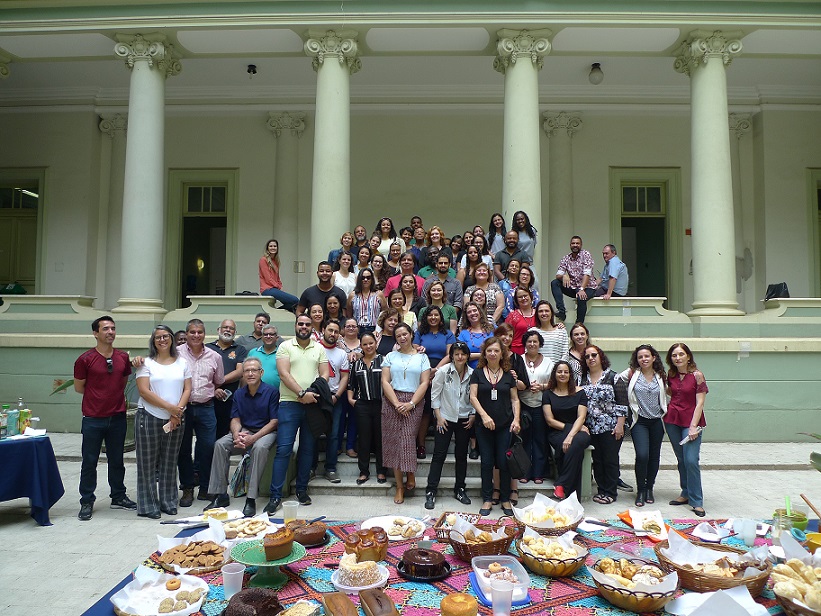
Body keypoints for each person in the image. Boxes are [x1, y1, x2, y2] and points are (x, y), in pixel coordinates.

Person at [264, 314, 329, 514]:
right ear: (296, 326)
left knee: (308, 450)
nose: (304, 327)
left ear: (312, 327)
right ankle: (275, 496)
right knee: (284, 450)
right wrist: (301, 394)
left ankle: (301, 489)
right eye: (300, 324)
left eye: (307, 324)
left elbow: (325, 374)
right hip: (289, 404)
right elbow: (284, 373)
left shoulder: (319, 348)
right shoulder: (285, 347)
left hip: (312, 405)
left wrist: (312, 393)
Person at [73, 315, 136, 521]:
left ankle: (118, 496)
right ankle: (86, 500)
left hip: (117, 417)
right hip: (93, 418)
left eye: (113, 328)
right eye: (106, 329)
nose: (110, 332)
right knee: (89, 461)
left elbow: (122, 381)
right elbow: (79, 387)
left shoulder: (122, 358)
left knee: (117, 460)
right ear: (95, 333)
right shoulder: (85, 359)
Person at [204, 357, 278, 518]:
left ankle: (250, 498)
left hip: (266, 432)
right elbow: (235, 419)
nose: (250, 373)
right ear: (243, 374)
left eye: (254, 370)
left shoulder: (271, 392)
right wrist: (236, 434)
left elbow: (274, 422)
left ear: (261, 373)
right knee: (220, 444)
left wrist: (254, 438)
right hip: (245, 430)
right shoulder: (239, 393)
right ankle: (220, 495)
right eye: (247, 371)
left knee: (259, 447)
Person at [134, 324, 191, 519]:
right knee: (147, 463)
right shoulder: (146, 363)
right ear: (153, 341)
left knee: (169, 461)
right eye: (158, 337)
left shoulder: (182, 363)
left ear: (172, 339)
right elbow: (144, 391)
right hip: (148, 417)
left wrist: (177, 413)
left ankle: (168, 502)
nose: (162, 340)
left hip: (175, 419)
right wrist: (170, 408)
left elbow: (187, 389)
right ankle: (148, 505)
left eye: (166, 336)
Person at [175, 319, 225, 507]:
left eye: (200, 332)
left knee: (208, 448)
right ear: (186, 334)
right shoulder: (176, 354)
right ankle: (187, 488)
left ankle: (205, 487)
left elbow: (219, 380)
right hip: (183, 408)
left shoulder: (215, 356)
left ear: (205, 334)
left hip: (206, 407)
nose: (196, 335)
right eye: (192, 332)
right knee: (183, 449)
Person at [381, 322, 431, 504]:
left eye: (405, 334)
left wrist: (410, 403)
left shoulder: (422, 357)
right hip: (391, 400)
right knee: (394, 442)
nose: (402, 338)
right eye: (398, 336)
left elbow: (425, 382)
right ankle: (399, 486)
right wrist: (395, 403)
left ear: (411, 335)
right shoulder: (390, 356)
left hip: (414, 400)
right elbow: (385, 381)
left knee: (407, 439)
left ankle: (410, 472)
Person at [470, 337, 521, 516]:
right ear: (485, 353)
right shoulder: (477, 373)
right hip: (483, 426)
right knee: (486, 463)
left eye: (496, 351)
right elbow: (473, 397)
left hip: (505, 425)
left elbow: (515, 399)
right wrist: (484, 416)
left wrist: (516, 420)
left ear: (502, 354)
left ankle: (505, 498)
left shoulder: (508, 374)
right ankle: (487, 498)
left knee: (503, 462)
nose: (492, 353)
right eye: (489, 350)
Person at [424, 341, 474, 509]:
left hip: (464, 418)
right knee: (439, 454)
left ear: (467, 356)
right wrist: (438, 417)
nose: (460, 357)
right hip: (444, 417)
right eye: (456, 354)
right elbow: (434, 395)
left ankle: (460, 488)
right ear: (451, 356)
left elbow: (475, 397)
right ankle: (431, 490)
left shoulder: (473, 374)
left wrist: (473, 414)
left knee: (461, 455)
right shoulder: (443, 372)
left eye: (463, 354)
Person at [618, 345, 667, 507]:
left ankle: (649, 489)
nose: (644, 359)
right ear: (636, 360)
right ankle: (640, 490)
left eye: (647, 356)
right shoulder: (632, 373)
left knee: (654, 457)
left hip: (657, 422)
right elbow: (615, 381)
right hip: (639, 422)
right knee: (642, 455)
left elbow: (673, 392)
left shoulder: (661, 376)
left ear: (653, 358)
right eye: (640, 357)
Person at [665, 342, 708, 517]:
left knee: (691, 460)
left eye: (681, 354)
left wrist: (693, 427)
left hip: (692, 422)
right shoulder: (671, 374)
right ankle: (685, 493)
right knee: (681, 459)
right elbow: (671, 392)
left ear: (688, 356)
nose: (678, 358)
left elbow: (700, 403)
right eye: (674, 355)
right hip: (672, 420)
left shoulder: (697, 375)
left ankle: (696, 501)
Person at [581, 344, 627, 505]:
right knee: (597, 460)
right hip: (591, 427)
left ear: (601, 357)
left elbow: (622, 403)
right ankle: (602, 490)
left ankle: (611, 492)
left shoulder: (614, 377)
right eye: (587, 356)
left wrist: (620, 425)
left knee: (610, 459)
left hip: (611, 427)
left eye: (594, 355)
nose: (591, 358)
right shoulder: (582, 379)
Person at [543, 361, 590, 500]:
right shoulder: (548, 394)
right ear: (554, 374)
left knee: (575, 443)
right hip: (557, 432)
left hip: (580, 431)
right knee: (576, 450)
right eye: (559, 372)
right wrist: (570, 431)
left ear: (570, 374)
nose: (562, 374)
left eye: (565, 372)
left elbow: (581, 417)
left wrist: (570, 435)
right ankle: (572, 496)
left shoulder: (580, 392)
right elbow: (550, 420)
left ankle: (561, 484)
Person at [413, 305, 456, 458]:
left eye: (436, 315)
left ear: (441, 318)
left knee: (440, 409)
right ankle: (421, 445)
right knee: (424, 411)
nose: (433, 318)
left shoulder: (448, 334)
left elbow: (450, 354)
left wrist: (435, 371)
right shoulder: (420, 333)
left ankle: (441, 445)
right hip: (421, 374)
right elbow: (415, 351)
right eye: (430, 315)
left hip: (442, 373)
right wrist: (427, 373)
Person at [348, 332, 387, 485]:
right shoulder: (357, 364)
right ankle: (363, 472)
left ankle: (382, 471)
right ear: (361, 346)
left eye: (371, 343)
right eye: (365, 344)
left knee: (380, 439)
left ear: (376, 343)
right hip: (362, 405)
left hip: (380, 404)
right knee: (364, 439)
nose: (368, 346)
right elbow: (351, 384)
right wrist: (351, 400)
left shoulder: (384, 361)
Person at [314, 319, 350, 483]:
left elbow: (344, 377)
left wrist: (336, 396)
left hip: (335, 397)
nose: (333, 334)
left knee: (334, 435)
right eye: (330, 330)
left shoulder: (341, 353)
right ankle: (310, 467)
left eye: (336, 331)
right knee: (312, 434)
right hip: (315, 397)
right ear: (323, 330)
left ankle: (331, 468)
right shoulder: (314, 349)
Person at [519, 330, 554, 484]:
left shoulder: (549, 362)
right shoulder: (518, 360)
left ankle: (539, 473)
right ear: (525, 344)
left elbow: (555, 383)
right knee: (524, 439)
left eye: (535, 341)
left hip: (542, 405)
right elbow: (514, 380)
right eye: (529, 341)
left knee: (540, 439)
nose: (532, 344)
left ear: (540, 344)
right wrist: (525, 386)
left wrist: (542, 386)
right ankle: (525, 472)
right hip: (523, 404)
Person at [206, 319, 247, 439]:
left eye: (231, 328)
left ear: (235, 332)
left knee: (223, 435)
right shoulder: (207, 348)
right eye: (225, 327)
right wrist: (213, 389)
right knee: (207, 435)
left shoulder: (240, 349)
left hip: (229, 400)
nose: (228, 330)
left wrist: (219, 381)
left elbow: (239, 372)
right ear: (218, 330)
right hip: (208, 398)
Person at [551, 236, 597, 323]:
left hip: (588, 287)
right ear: (570, 245)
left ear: (581, 245)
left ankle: (579, 324)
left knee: (581, 297)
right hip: (573, 287)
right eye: (573, 243)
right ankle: (561, 311)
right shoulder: (566, 258)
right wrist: (563, 276)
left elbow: (587, 273)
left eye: (577, 243)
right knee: (555, 283)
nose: (575, 245)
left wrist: (582, 289)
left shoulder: (585, 255)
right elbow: (558, 274)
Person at [336, 318, 362, 458]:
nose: (351, 328)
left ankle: (350, 446)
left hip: (359, 387)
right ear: (343, 328)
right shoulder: (338, 343)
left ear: (358, 328)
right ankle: (337, 445)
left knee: (354, 418)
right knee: (339, 417)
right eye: (348, 326)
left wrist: (361, 355)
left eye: (354, 326)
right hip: (340, 385)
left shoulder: (363, 344)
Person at [258, 239, 299, 312]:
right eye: (270, 246)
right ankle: (275, 312)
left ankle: (276, 312)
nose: (273, 248)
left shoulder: (275, 261)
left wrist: (280, 285)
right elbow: (268, 279)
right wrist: (279, 287)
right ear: (267, 248)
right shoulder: (263, 260)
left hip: (274, 288)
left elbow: (277, 278)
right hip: (267, 289)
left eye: (275, 246)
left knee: (292, 303)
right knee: (295, 300)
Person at [456, 302, 494, 369]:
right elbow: (461, 355)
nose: (473, 313)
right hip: (470, 372)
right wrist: (484, 354)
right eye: (469, 312)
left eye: (475, 310)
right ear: (466, 316)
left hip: (491, 370)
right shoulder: (463, 333)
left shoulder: (491, 329)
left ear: (480, 313)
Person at [347, 268, 381, 335]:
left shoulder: (379, 294)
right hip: (357, 329)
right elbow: (349, 315)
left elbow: (384, 313)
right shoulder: (352, 295)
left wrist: (378, 329)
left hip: (374, 329)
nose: (365, 280)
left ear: (372, 279)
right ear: (359, 279)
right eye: (363, 278)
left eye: (368, 278)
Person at [247, 323, 281, 389]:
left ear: (277, 338)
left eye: (271, 334)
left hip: (276, 394)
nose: (268, 336)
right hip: (254, 393)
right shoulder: (253, 352)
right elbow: (245, 373)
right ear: (262, 337)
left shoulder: (282, 353)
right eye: (265, 334)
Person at [506, 287, 537, 355]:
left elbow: (547, 326)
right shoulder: (512, 316)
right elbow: (505, 334)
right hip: (517, 351)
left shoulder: (538, 314)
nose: (523, 298)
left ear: (531, 297)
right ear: (516, 300)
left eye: (525, 295)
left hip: (535, 349)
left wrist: (558, 325)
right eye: (520, 297)